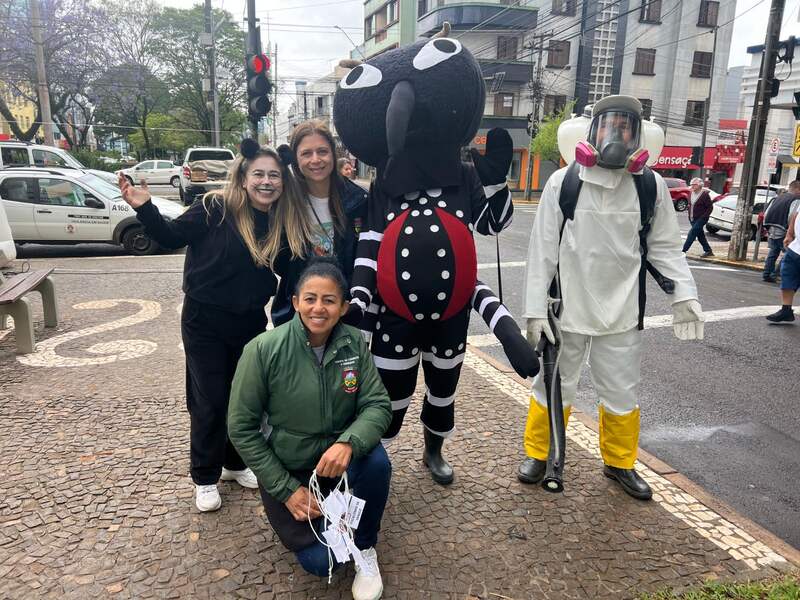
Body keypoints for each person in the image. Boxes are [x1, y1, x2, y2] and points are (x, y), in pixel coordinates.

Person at [519, 96, 704, 500]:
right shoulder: (563, 182)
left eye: (625, 128)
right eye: (608, 127)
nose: (615, 136)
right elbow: (543, 250)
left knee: (622, 391)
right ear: (592, 133)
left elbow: (666, 246)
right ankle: (539, 453)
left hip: (621, 311)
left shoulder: (648, 185)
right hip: (566, 310)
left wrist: (684, 295)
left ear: (638, 137)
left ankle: (620, 461)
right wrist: (535, 310)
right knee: (551, 385)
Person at [118, 140, 290, 512]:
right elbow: (170, 237)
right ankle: (205, 475)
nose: (266, 181)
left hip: (248, 320)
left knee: (244, 397)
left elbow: (290, 265)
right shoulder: (214, 207)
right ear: (243, 178)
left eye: (274, 175)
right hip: (204, 318)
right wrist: (144, 208)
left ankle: (234, 463)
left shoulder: (279, 221)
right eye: (258, 173)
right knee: (209, 398)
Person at [228, 259, 391, 600]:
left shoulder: (353, 344)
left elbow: (377, 405)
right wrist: (286, 489)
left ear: (344, 306)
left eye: (330, 300)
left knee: (376, 462)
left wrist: (348, 443)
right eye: (311, 298)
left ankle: (365, 546)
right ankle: (333, 527)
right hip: (290, 467)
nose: (319, 308)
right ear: (296, 300)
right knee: (322, 561)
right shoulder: (263, 349)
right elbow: (241, 428)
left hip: (339, 463)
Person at [270, 120, 369, 326]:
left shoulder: (359, 200)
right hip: (299, 312)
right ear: (296, 159)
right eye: (306, 153)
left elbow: (365, 256)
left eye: (322, 151)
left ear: (333, 154)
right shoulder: (283, 202)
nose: (316, 159)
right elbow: (280, 262)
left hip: (344, 310)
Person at [766, 205, 800, 323]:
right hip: (796, 248)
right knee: (787, 276)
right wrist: (789, 234)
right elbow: (796, 215)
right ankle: (786, 310)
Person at [762, 181, 800, 283]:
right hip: (783, 228)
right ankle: (776, 274)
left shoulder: (778, 197)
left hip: (771, 227)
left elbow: (767, 212)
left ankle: (767, 274)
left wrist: (767, 226)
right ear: (797, 189)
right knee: (789, 253)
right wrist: (791, 231)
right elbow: (793, 215)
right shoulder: (795, 200)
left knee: (773, 252)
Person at [681, 177, 714, 257]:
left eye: (694, 185)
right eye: (692, 184)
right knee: (700, 235)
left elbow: (710, 207)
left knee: (692, 233)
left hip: (701, 219)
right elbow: (690, 205)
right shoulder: (690, 194)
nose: (692, 186)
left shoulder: (704, 195)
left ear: (700, 185)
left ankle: (683, 250)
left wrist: (704, 217)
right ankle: (708, 250)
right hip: (692, 218)